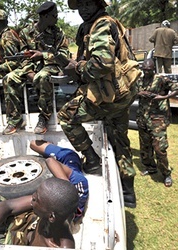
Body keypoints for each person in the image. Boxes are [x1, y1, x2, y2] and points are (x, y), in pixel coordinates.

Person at [58, 0, 141, 208]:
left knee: (66, 117)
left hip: (110, 95)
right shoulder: (99, 24)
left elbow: (101, 64)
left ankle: (92, 161)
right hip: (122, 95)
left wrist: (76, 69)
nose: (84, 9)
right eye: (81, 5)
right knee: (120, 140)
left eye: (88, 3)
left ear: (98, 4)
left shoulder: (101, 25)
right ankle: (128, 194)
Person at [2, 2, 70, 135]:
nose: (56, 18)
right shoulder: (26, 32)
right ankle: (15, 119)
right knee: (9, 78)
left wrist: (42, 55)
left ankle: (44, 117)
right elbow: (23, 56)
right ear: (44, 16)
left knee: (42, 77)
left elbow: (63, 55)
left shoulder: (58, 33)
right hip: (30, 66)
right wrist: (28, 71)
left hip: (51, 65)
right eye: (54, 16)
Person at [0, 177, 79, 249]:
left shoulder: (62, 247)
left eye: (36, 199)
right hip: (26, 223)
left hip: (18, 243)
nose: (32, 197)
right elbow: (7, 206)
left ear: (51, 216)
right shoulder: (50, 207)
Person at [136, 59, 178, 187]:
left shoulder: (160, 79)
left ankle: (166, 174)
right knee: (145, 147)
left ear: (154, 68)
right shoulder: (140, 80)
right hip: (143, 118)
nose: (146, 71)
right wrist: (140, 93)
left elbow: (176, 88)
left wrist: (163, 97)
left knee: (160, 149)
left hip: (157, 119)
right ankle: (150, 167)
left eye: (149, 69)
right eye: (144, 69)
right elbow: (134, 92)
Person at [30, 140, 88, 222]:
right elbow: (50, 161)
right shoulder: (79, 183)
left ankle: (49, 146)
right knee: (33, 144)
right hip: (69, 159)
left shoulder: (64, 211)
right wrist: (66, 186)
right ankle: (49, 145)